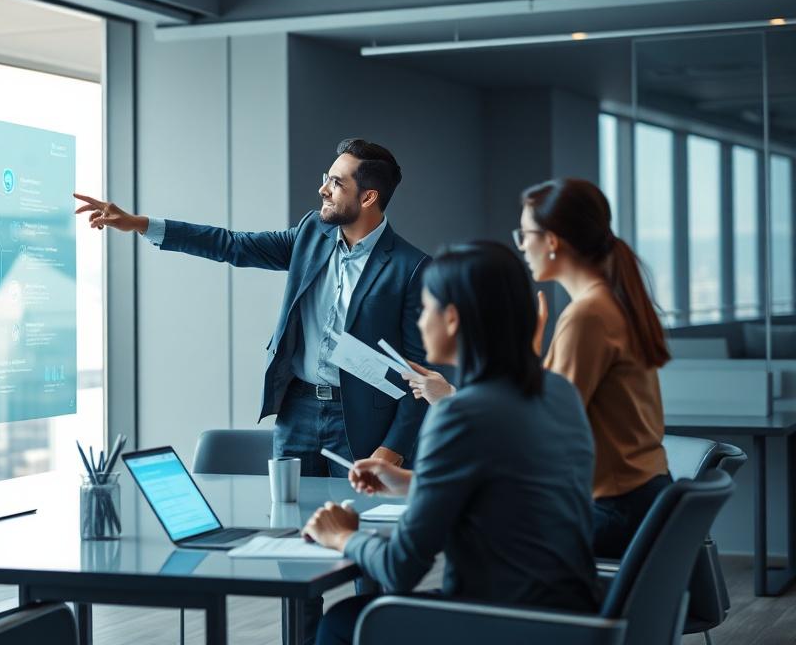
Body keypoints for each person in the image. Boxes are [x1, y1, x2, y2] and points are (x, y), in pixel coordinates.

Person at [74, 139, 431, 476]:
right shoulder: (311, 233)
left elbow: (419, 376)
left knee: (356, 525)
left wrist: (393, 448)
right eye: (327, 179)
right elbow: (233, 245)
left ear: (368, 197)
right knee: (290, 521)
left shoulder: (410, 267)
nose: (323, 189)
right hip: (298, 410)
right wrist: (141, 224)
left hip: (362, 422)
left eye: (336, 183)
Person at [302, 242, 600, 645]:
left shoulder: (461, 413)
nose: (422, 322)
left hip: (499, 625)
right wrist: (412, 482)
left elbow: (399, 569)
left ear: (453, 318)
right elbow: (510, 487)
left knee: (342, 623)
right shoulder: (558, 391)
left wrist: (341, 536)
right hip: (573, 619)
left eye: (426, 309)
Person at [516, 177, 672, 559]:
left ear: (551, 241)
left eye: (525, 234)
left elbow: (546, 429)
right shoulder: (609, 303)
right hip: (641, 498)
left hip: (615, 509)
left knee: (489, 545)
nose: (521, 246)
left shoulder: (587, 316)